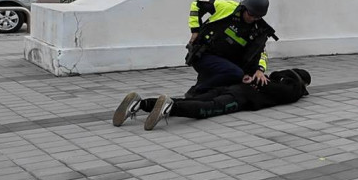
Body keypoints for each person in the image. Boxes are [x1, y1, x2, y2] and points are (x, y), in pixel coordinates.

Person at [112, 68, 310, 131]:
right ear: (304, 82)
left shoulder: (274, 74)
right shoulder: (295, 87)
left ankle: (140, 104)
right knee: (209, 108)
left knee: (193, 99)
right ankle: (170, 108)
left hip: (234, 86)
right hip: (242, 97)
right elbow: (279, 93)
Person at [186, 0, 276, 95]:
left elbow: (261, 52)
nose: (252, 19)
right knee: (235, 74)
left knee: (238, 80)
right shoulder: (228, 8)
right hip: (203, 54)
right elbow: (197, 4)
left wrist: (259, 70)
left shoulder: (257, 29)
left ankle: (198, 95)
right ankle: (196, 92)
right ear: (245, 7)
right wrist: (195, 30)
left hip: (224, 62)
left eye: (257, 17)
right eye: (250, 14)